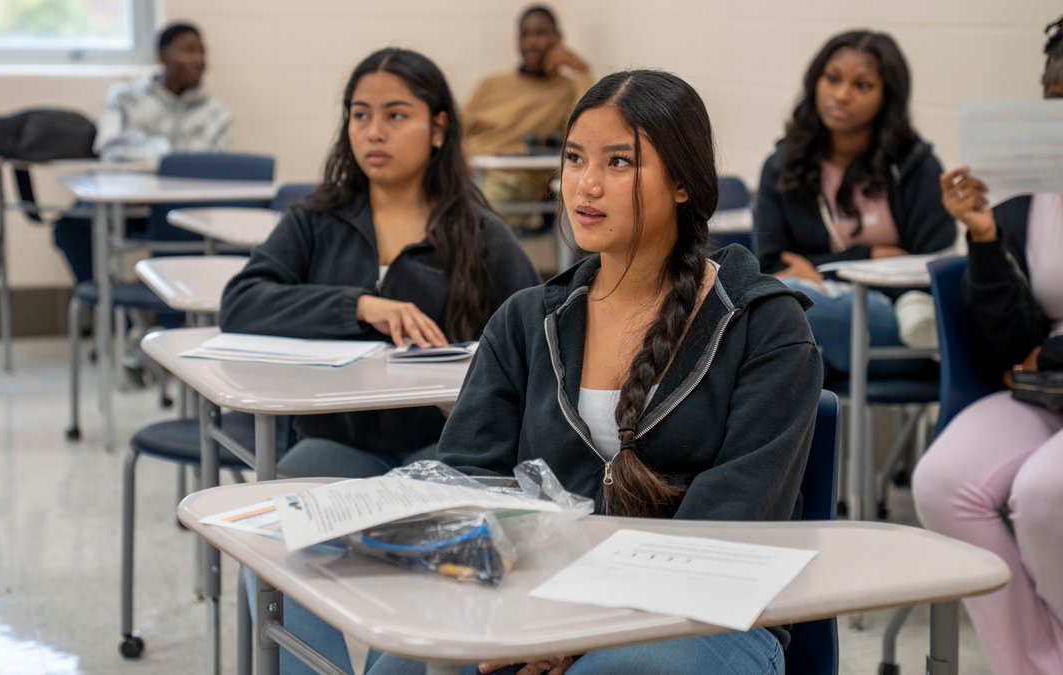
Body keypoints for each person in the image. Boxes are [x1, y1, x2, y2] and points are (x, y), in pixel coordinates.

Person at [290, 69, 822, 675]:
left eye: (619, 162)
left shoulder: (762, 324)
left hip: (702, 619)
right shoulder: (527, 320)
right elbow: (468, 484)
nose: (585, 184)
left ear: (682, 183)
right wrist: (527, 616)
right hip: (535, 604)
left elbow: (730, 523)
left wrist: (581, 626)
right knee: (401, 666)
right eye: (573, 158)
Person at [219, 48, 540, 481]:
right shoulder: (314, 220)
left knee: (440, 514)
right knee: (290, 508)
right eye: (360, 115)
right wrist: (359, 306)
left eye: (396, 116)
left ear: (438, 128)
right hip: (335, 441)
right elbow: (241, 303)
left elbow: (536, 342)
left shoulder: (481, 233)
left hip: (446, 442)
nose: (374, 133)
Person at [912, 17, 1063, 675]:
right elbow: (1012, 340)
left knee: (1045, 492)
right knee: (942, 481)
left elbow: (1036, 354)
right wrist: (983, 235)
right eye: (1057, 96)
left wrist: (1045, 359)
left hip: (1048, 370)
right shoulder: (1029, 198)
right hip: (1044, 387)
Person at [754, 30, 956, 378]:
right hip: (807, 317)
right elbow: (771, 265)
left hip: (901, 325)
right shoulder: (783, 166)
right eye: (832, 79)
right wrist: (869, 257)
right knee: (780, 297)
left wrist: (816, 269)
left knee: (791, 299)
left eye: (862, 86)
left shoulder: (915, 166)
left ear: (887, 97)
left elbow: (930, 266)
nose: (841, 95)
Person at [52, 21, 231, 284]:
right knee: (70, 227)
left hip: (183, 210)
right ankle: (107, 301)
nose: (198, 60)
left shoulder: (216, 114)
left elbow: (211, 167)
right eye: (188, 51)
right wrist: (168, 156)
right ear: (162, 56)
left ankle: (169, 303)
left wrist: (149, 153)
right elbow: (110, 147)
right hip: (125, 204)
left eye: (202, 52)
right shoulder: (124, 97)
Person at [462, 5, 593, 227]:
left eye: (540, 34)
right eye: (524, 35)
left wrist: (582, 70)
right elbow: (456, 129)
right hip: (470, 171)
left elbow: (585, 128)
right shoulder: (490, 84)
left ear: (557, 39)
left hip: (513, 181)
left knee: (473, 217)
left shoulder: (567, 89)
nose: (531, 42)